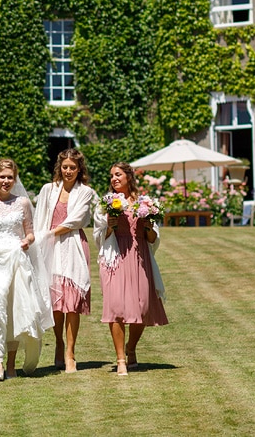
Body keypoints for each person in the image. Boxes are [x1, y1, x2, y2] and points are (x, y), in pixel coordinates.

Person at [0, 158, 53, 380]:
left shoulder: (23, 203)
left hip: (17, 259)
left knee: (14, 310)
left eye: (10, 177)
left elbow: (30, 231)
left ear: (15, 178)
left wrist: (28, 240)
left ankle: (9, 364)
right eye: (2, 177)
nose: (6, 181)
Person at [94, 161, 167, 376]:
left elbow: (154, 238)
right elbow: (99, 237)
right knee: (116, 308)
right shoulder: (106, 204)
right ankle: (120, 359)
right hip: (116, 257)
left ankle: (131, 348)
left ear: (128, 177)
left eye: (118, 174)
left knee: (142, 307)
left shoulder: (145, 202)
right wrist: (110, 226)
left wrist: (147, 227)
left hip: (139, 256)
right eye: (111, 176)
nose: (114, 179)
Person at [33, 147, 98, 373]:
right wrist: (39, 242)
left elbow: (76, 220)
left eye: (73, 167)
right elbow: (39, 217)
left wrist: (49, 234)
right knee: (56, 304)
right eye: (65, 167)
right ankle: (58, 343)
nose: (68, 171)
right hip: (49, 248)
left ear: (79, 169)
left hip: (72, 246)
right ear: (59, 168)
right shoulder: (48, 190)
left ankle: (70, 351)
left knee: (72, 303)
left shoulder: (86, 192)